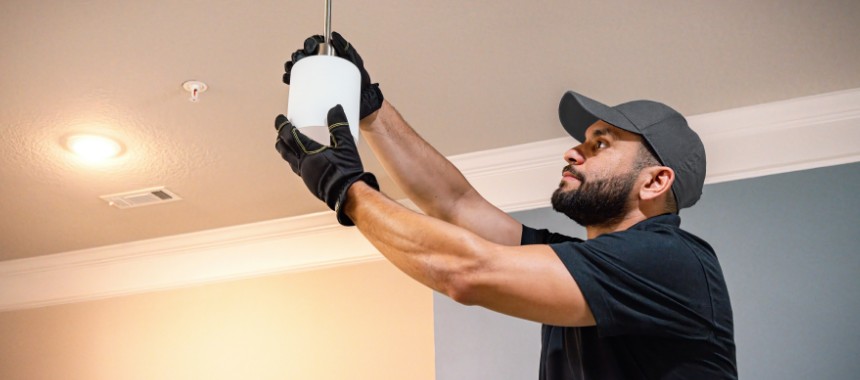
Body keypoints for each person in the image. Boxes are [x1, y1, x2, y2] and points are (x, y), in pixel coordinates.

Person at [275, 32, 737, 380]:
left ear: (656, 181)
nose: (573, 152)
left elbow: (466, 272)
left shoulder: (672, 262)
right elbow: (454, 203)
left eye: (601, 145)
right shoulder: (580, 263)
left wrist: (347, 190)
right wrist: (371, 109)